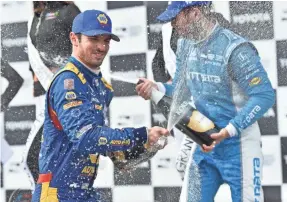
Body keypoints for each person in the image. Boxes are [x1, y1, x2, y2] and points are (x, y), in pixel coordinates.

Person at [136, 1, 275, 201]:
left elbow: (264, 95)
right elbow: (181, 90)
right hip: (205, 144)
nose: (173, 25)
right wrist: (157, 87)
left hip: (239, 146)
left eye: (176, 18)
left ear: (194, 13)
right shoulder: (185, 44)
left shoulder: (235, 48)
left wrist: (230, 129)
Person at [31, 10, 169, 202]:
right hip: (56, 194)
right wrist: (141, 134)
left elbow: (102, 143)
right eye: (94, 39)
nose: (101, 47)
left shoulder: (101, 86)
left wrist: (144, 146)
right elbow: (85, 138)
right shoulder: (68, 81)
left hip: (85, 193)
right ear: (74, 39)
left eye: (106, 40)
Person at [24, 1, 81, 190]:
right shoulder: (36, 15)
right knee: (40, 163)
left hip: (66, 96)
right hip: (45, 97)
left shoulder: (67, 10)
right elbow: (35, 55)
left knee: (35, 160)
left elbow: (86, 47)